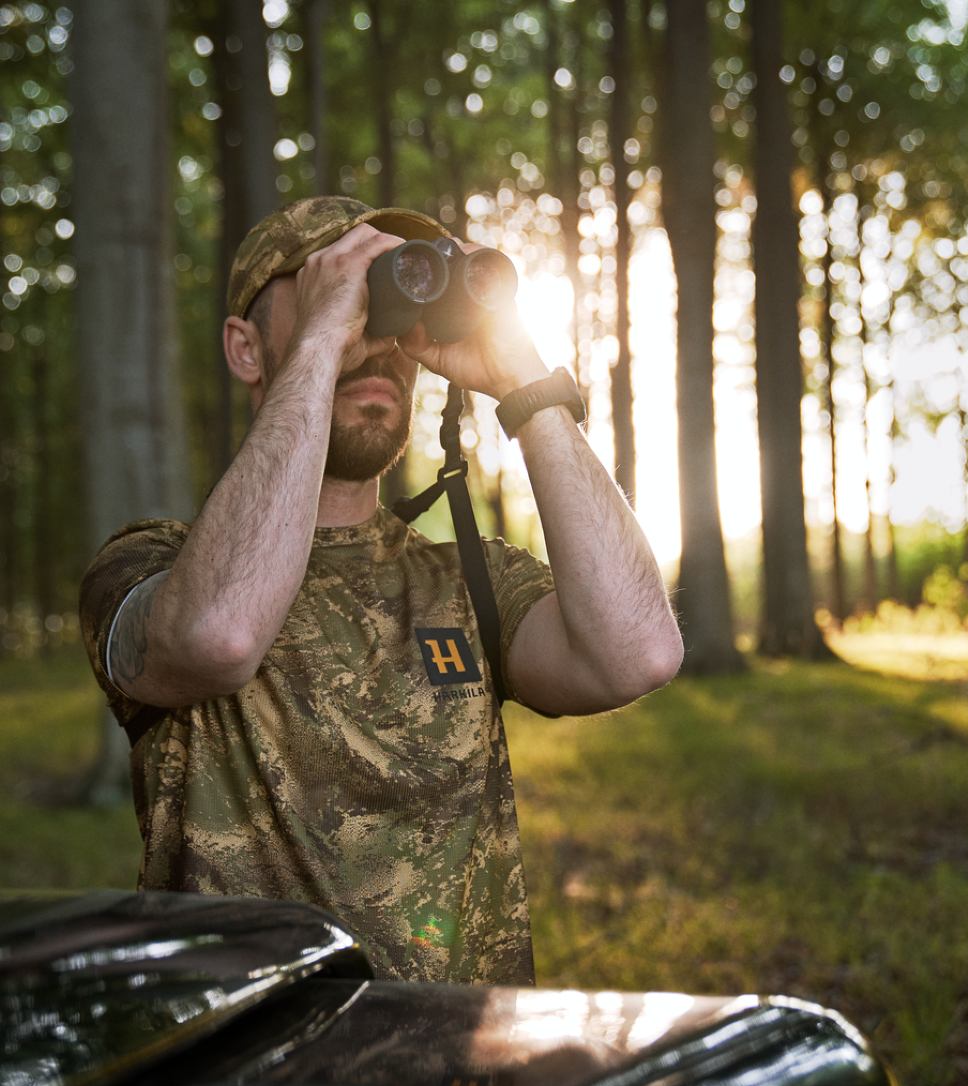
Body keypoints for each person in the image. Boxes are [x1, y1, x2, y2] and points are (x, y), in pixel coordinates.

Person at [79, 195, 683, 985]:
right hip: (252, 1083)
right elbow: (217, 636)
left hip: (460, 1081)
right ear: (245, 348)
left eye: (393, 294)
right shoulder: (150, 567)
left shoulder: (468, 579)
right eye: (343, 284)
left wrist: (524, 379)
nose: (378, 338)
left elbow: (636, 654)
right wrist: (326, 340)